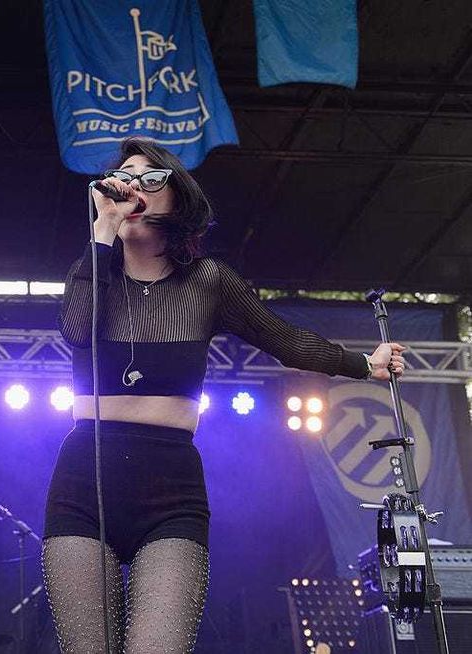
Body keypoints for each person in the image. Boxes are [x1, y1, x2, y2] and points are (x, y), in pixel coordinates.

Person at [42, 138, 407, 654]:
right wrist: (103, 229)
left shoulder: (208, 281)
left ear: (178, 198)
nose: (133, 186)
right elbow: (77, 330)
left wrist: (364, 364)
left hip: (170, 491)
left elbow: (285, 340)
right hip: (84, 481)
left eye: (150, 178)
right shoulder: (93, 270)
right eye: (126, 176)